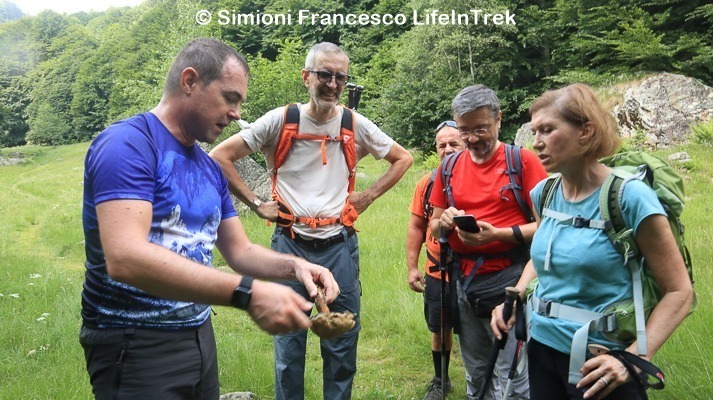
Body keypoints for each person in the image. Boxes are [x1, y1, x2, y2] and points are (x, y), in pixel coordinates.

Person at [80, 38, 340, 400]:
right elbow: (126, 258)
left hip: (198, 334)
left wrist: (296, 267)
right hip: (133, 342)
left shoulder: (208, 168)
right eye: (229, 97)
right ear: (190, 81)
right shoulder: (128, 145)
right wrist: (247, 294)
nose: (236, 113)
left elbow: (240, 251)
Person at [209, 42, 413, 400]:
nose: (332, 83)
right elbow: (220, 156)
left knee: (342, 344)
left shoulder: (353, 123)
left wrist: (367, 196)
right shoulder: (281, 120)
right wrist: (256, 203)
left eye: (340, 77)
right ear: (306, 77)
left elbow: (402, 158)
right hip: (289, 246)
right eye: (324, 74)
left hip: (339, 246)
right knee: (289, 347)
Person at [491, 83, 694, 400]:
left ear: (585, 132)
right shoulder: (544, 193)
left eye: (547, 130)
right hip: (541, 346)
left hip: (602, 359)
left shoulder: (629, 197)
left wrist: (637, 357)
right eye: (535, 132)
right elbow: (542, 257)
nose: (537, 143)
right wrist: (518, 293)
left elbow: (680, 292)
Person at [429, 84, 548, 400]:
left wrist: (498, 234)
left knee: (513, 375)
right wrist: (442, 224)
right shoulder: (449, 167)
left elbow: (549, 226)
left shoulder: (522, 162)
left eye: (480, 128)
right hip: (465, 285)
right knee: (477, 371)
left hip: (513, 281)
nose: (471, 139)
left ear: (499, 120)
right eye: (464, 130)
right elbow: (434, 224)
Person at [406, 120, 465, 399]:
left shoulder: (479, 178)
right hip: (436, 268)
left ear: (465, 143)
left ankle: (477, 379)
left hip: (473, 270)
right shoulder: (426, 184)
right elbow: (417, 226)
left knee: (472, 326)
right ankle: (441, 380)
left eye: (454, 143)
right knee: (440, 325)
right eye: (442, 145)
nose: (448, 149)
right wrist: (412, 267)